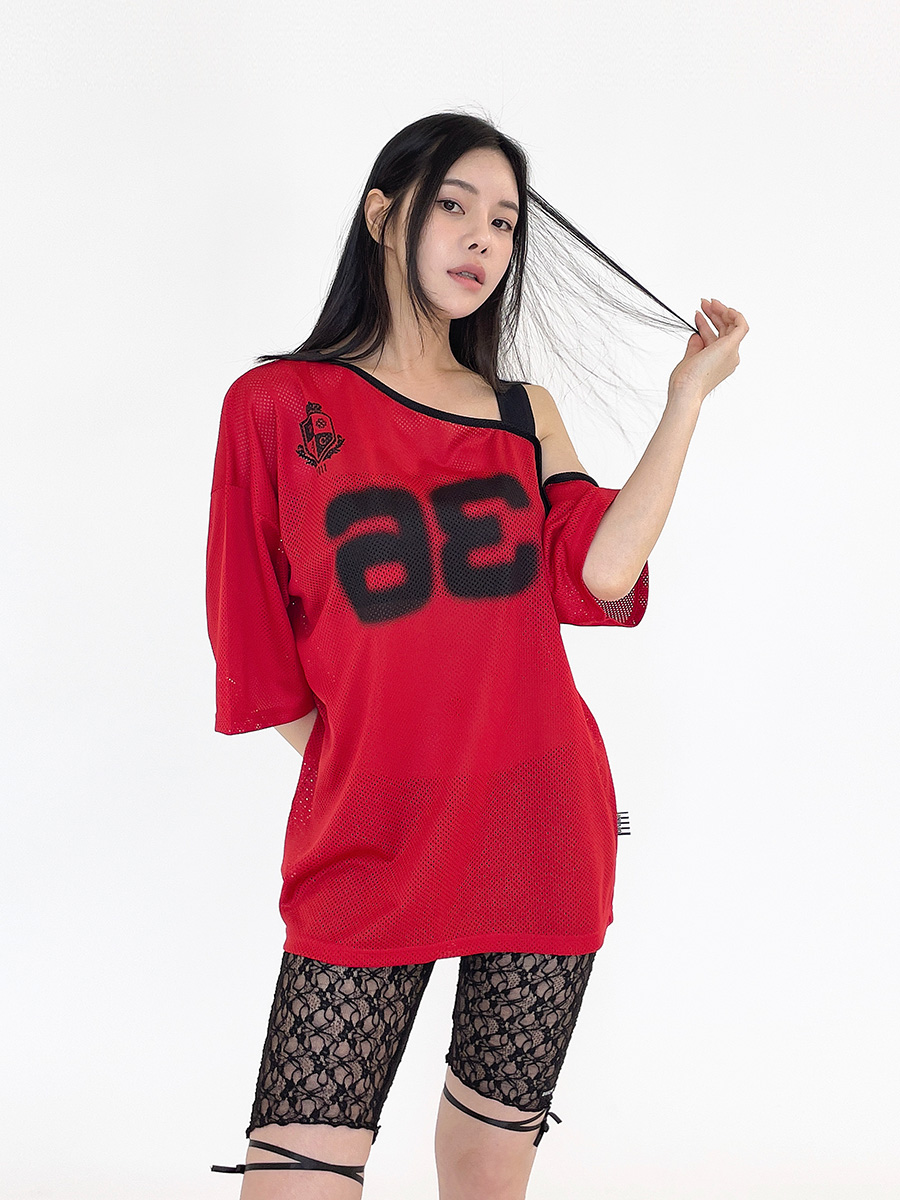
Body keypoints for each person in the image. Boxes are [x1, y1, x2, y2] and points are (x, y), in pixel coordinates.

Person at [206, 110, 749, 1199]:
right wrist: (387, 773)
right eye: (453, 204)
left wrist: (685, 400)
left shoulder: (519, 413)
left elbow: (602, 570)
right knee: (295, 1177)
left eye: (502, 221)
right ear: (382, 216)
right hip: (370, 841)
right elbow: (256, 654)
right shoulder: (275, 406)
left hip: (541, 826)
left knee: (487, 1172)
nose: (480, 238)